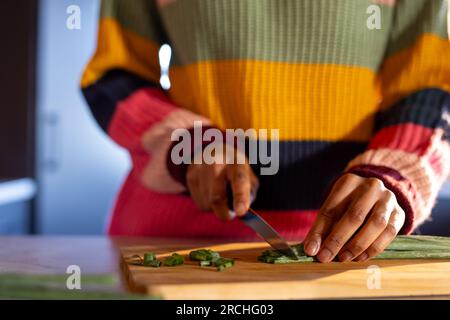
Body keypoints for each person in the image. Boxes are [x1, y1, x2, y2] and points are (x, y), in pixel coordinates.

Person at [81, 0, 450, 263]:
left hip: (343, 253)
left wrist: (392, 175)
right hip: (168, 243)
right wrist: (192, 145)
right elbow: (114, 78)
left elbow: (430, 90)